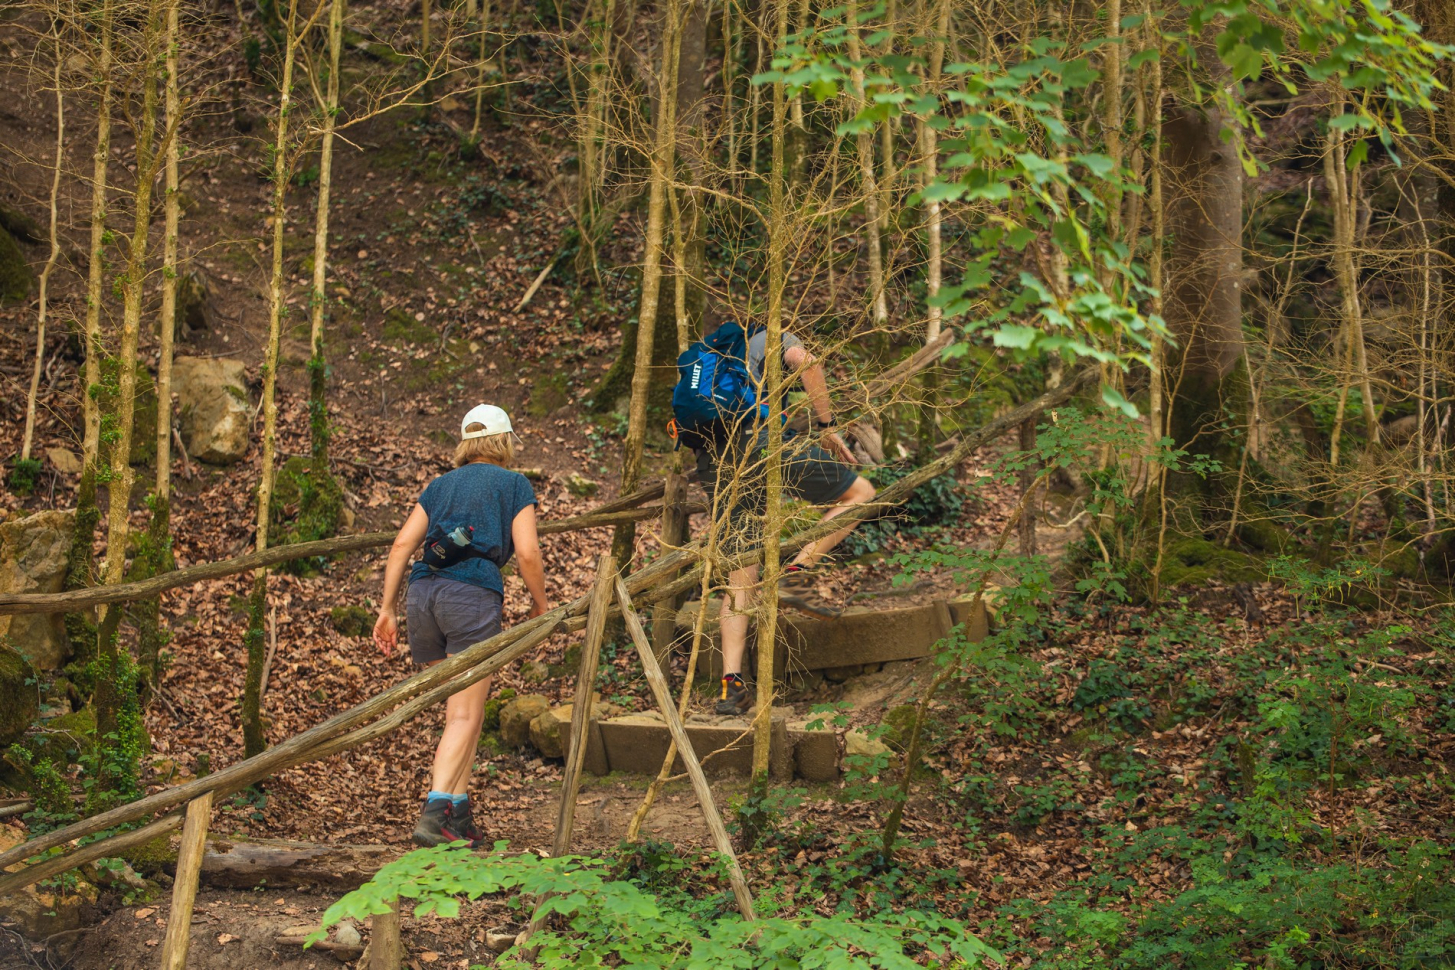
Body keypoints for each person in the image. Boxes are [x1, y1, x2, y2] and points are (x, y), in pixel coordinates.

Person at [373, 404, 549, 847]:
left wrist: (387, 609)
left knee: (462, 714)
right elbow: (527, 553)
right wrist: (541, 604)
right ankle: (434, 815)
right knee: (465, 713)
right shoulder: (513, 484)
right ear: (505, 441)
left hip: (422, 598)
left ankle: (458, 813)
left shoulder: (439, 485)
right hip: (470, 596)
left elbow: (401, 546)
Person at [689, 323, 876, 716]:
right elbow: (806, 362)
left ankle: (731, 687)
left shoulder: (715, 357)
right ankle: (796, 571)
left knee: (741, 573)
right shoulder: (773, 336)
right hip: (759, 445)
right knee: (862, 494)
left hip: (715, 461)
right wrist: (826, 427)